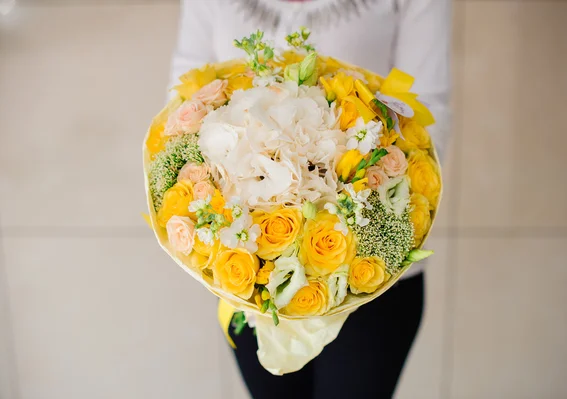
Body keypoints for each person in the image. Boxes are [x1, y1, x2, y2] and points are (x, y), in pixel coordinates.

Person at [170, 1, 451, 397]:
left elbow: (428, 108)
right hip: (252, 273)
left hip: (372, 274)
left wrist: (349, 209)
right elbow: (183, 99)